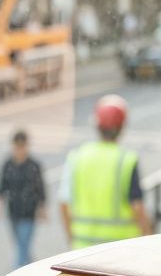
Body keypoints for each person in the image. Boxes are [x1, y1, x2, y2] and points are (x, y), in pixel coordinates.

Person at [60, 95, 152, 249]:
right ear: (122, 127)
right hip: (120, 251)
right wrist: (149, 238)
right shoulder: (126, 160)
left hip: (82, 251)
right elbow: (137, 207)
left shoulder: (77, 157)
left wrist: (72, 239)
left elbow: (64, 203)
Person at [0, 129, 46, 268]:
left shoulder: (33, 165)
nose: (20, 150)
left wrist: (42, 207)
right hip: (13, 210)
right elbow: (2, 185)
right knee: (21, 244)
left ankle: (16, 271)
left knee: (22, 246)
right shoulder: (8, 165)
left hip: (29, 212)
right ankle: (31, 269)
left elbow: (40, 188)